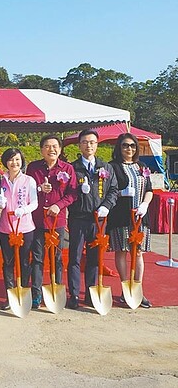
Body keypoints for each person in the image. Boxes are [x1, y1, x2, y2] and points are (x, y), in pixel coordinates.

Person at [67, 129, 118, 309]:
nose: (88, 145)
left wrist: (106, 206)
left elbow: (113, 190)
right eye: (85, 142)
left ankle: (90, 293)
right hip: (78, 218)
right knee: (74, 257)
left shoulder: (106, 167)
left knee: (95, 258)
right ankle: (73, 294)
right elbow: (67, 192)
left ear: (97, 145)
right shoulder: (72, 168)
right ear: (79, 145)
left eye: (92, 142)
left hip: (99, 220)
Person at [26, 135, 77, 309]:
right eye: (47, 146)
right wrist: (40, 189)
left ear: (60, 149)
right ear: (41, 150)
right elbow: (27, 190)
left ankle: (56, 289)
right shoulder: (33, 168)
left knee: (56, 258)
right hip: (38, 220)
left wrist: (59, 205)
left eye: (55, 146)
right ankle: (36, 293)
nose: (51, 149)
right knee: (38, 258)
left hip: (58, 220)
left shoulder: (68, 169)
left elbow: (72, 194)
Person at [107, 133, 153, 308]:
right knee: (122, 251)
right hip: (121, 217)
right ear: (119, 147)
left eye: (132, 146)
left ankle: (138, 288)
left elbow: (149, 188)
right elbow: (109, 191)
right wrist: (121, 193)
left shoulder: (141, 166)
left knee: (138, 252)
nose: (129, 149)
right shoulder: (113, 167)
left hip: (140, 217)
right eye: (126, 145)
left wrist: (145, 204)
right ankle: (125, 287)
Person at [0, 148, 38, 310]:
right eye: (11, 160)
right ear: (6, 162)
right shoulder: (1, 180)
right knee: (8, 262)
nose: (14, 163)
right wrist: (0, 203)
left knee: (24, 261)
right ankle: (10, 295)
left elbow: (34, 203)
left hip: (25, 227)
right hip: (6, 227)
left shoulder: (29, 180)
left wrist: (24, 210)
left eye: (17, 160)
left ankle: (23, 291)